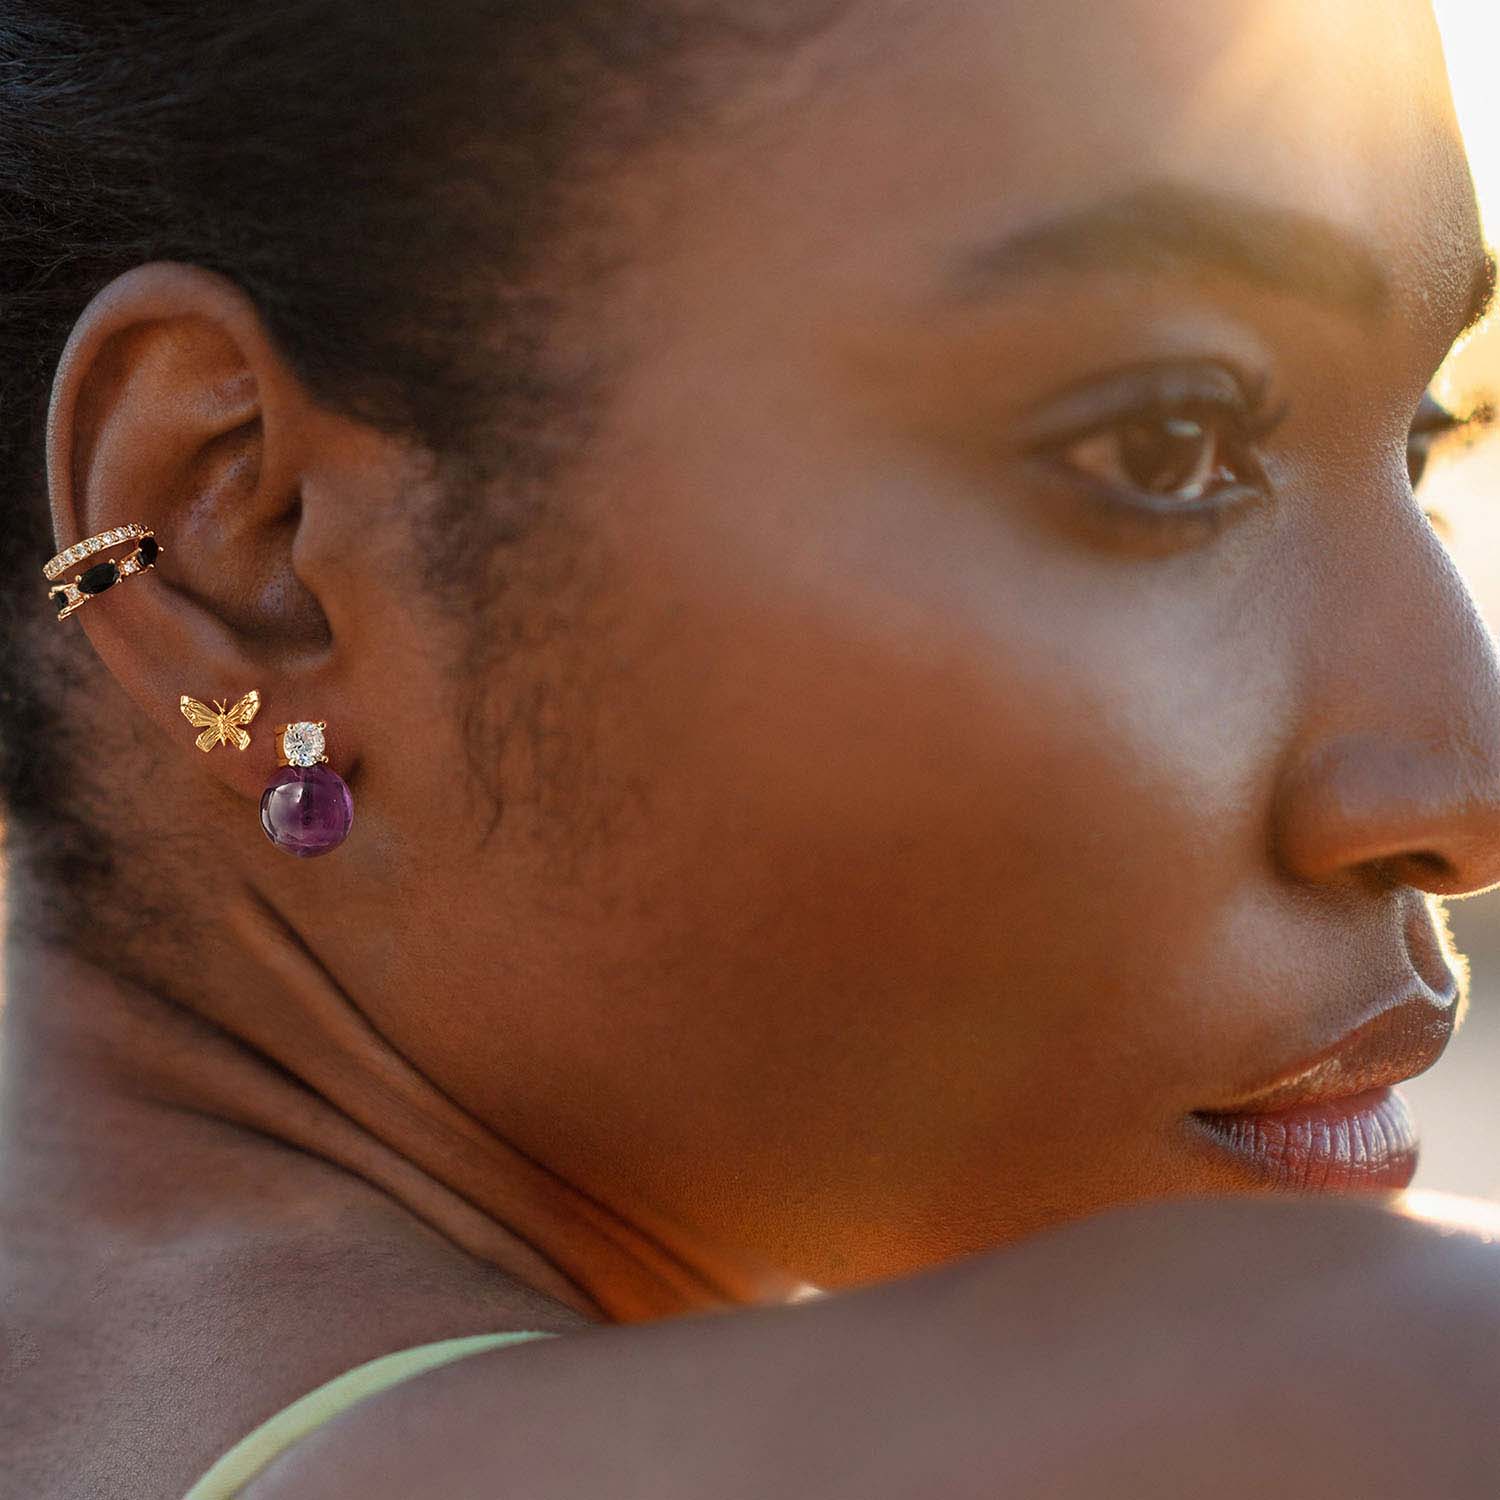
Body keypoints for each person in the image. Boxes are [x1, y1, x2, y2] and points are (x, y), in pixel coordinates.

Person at [3, 1, 1500, 1495]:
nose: (1467, 785)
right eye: (1167, 446)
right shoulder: (1360, 1416)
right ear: (240, 549)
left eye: (1427, 435)